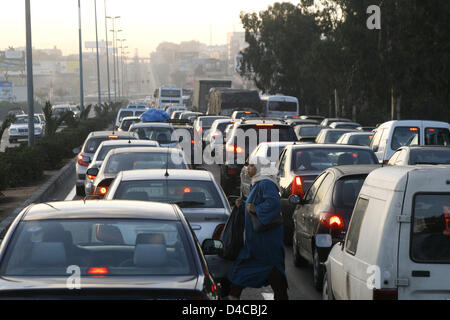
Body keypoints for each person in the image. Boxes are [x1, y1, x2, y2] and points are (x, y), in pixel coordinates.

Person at [228, 157, 288, 300]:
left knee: (266, 272)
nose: (248, 168)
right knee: (273, 275)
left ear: (260, 167)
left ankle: (232, 295)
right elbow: (253, 205)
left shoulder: (266, 183)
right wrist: (242, 205)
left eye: (251, 166)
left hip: (266, 243)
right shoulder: (258, 182)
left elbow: (273, 204)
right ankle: (233, 295)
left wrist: (256, 209)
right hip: (257, 243)